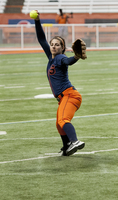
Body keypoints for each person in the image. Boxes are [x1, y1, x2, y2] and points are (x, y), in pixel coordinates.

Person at [34, 11, 85, 156]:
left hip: (70, 95)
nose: (54, 46)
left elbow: (68, 61)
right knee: (59, 124)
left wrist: (76, 56)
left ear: (63, 48)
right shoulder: (51, 57)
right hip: (64, 97)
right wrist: (37, 21)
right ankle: (67, 145)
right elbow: (41, 38)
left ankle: (74, 141)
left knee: (63, 119)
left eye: (57, 45)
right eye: (52, 44)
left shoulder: (61, 58)